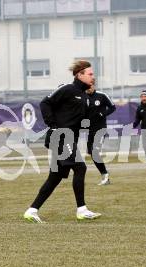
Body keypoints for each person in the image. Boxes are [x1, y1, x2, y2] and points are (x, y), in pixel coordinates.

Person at [23, 60, 101, 223]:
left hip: (69, 137)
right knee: (80, 167)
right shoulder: (68, 89)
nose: (93, 77)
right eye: (90, 74)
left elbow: (79, 121)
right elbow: (45, 103)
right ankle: (82, 209)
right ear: (79, 75)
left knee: (55, 177)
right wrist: (53, 125)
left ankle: (32, 210)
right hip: (61, 136)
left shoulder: (85, 97)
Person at [86, 85, 116, 185]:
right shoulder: (83, 97)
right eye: (86, 87)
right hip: (90, 130)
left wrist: (103, 113)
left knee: (95, 152)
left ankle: (105, 176)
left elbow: (113, 107)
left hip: (100, 129)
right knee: (91, 153)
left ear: (93, 86)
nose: (88, 88)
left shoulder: (102, 96)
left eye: (90, 86)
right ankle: (104, 175)